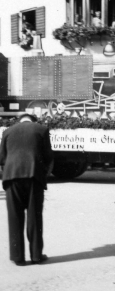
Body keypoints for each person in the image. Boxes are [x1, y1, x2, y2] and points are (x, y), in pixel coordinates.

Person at [0, 113, 53, 266]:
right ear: (33, 120)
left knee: (14, 217)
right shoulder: (41, 129)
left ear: (20, 120)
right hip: (34, 176)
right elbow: (48, 156)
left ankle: (18, 257)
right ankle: (36, 256)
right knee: (34, 217)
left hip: (12, 177)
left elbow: (2, 157)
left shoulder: (7, 131)